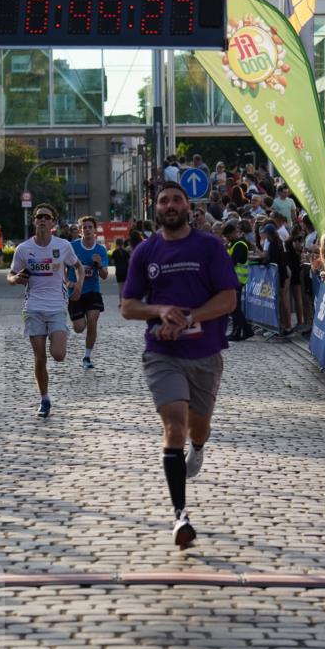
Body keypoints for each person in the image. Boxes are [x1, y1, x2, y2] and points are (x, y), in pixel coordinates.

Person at [121, 182, 237, 549]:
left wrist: (190, 318)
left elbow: (229, 298)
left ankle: (198, 448)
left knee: (197, 428)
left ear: (188, 206)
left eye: (176, 200)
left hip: (205, 353)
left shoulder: (209, 246)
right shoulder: (145, 251)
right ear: (155, 208)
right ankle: (180, 516)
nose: (170, 205)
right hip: (162, 353)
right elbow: (128, 306)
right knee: (174, 424)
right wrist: (159, 311)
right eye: (163, 201)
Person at [8, 203, 84, 417]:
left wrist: (78, 285)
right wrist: (14, 279)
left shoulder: (63, 246)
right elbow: (11, 274)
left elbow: (78, 267)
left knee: (58, 355)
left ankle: (56, 337)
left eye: (46, 217)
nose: (42, 219)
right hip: (33, 307)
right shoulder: (23, 249)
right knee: (40, 358)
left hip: (57, 306)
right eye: (39, 216)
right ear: (34, 221)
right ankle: (44, 399)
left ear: (53, 223)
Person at [68, 215, 109, 369]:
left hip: (93, 290)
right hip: (76, 290)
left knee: (92, 320)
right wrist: (68, 282)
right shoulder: (72, 247)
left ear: (95, 230)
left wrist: (98, 265)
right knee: (79, 328)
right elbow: (60, 269)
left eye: (90, 227)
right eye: (84, 227)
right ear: (80, 230)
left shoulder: (100, 250)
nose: (87, 230)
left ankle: (87, 357)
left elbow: (104, 276)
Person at [222, 222, 254, 341]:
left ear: (233, 233)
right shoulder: (233, 244)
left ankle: (239, 332)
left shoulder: (240, 244)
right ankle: (245, 330)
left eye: (228, 237)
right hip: (234, 279)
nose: (227, 239)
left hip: (238, 279)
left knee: (234, 307)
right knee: (234, 307)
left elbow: (233, 262)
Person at [111, 237, 130, 306]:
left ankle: (121, 303)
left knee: (120, 288)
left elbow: (112, 262)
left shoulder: (114, 252)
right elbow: (129, 262)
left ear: (116, 244)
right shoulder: (126, 252)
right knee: (125, 287)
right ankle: (126, 302)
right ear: (122, 244)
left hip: (118, 272)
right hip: (126, 271)